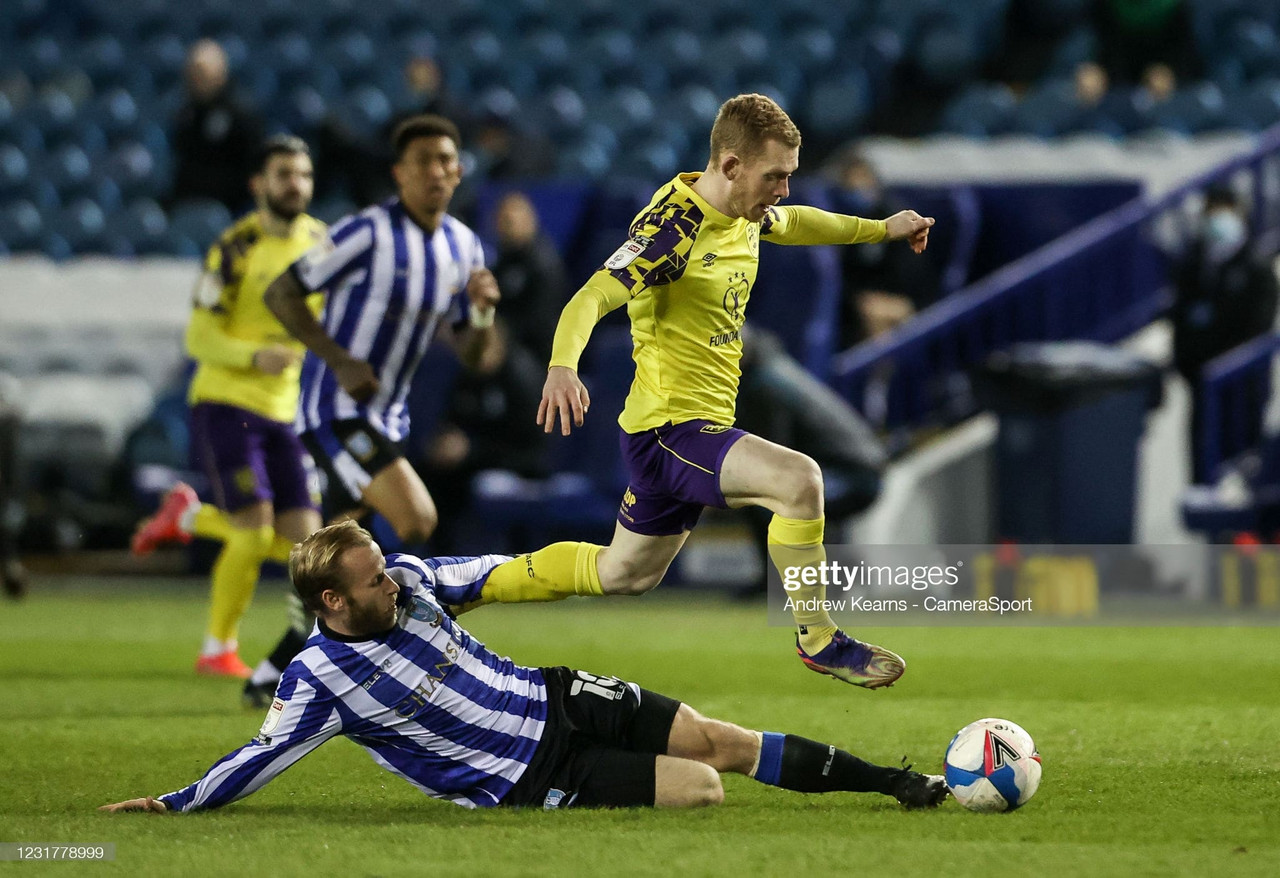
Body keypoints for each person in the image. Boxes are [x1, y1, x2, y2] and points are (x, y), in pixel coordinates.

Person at [496, 94, 932, 689]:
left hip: (683, 432)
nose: (782, 190)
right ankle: (819, 637)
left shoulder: (744, 212)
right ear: (730, 165)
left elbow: (797, 221)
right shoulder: (670, 228)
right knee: (800, 480)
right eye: (774, 176)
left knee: (623, 574)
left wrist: (882, 227)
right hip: (672, 429)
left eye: (789, 176)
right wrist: (562, 366)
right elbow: (591, 296)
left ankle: (470, 583)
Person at [100, 520, 947, 814]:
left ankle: (894, 784)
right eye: (371, 583)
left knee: (719, 741)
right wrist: (176, 804)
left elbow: (502, 573)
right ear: (332, 604)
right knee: (704, 790)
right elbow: (260, 757)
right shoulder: (318, 681)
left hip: (557, 693)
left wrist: (600, 570)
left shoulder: (415, 581)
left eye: (385, 571)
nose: (389, 585)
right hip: (530, 773)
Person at [243, 113, 501, 704]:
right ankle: (421, 654)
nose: (436, 172)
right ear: (399, 174)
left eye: (445, 161)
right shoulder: (366, 232)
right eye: (423, 163)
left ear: (458, 171)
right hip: (334, 410)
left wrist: (483, 313)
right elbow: (282, 291)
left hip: (387, 419)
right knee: (415, 519)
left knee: (330, 555)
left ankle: (273, 673)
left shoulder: (464, 245)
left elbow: (472, 352)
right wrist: (339, 360)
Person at [132, 135, 326, 677]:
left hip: (283, 411)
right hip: (226, 402)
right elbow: (198, 337)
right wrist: (252, 354)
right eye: (284, 174)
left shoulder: (323, 246)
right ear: (258, 185)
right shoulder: (234, 248)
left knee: (303, 547)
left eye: (304, 175)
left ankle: (190, 516)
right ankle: (217, 648)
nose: (296, 184)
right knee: (254, 525)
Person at [1171, 187, 1279, 484]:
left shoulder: (1257, 268)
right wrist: (1191, 368)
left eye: (1225, 209)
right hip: (1203, 387)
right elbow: (1181, 325)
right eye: (1211, 210)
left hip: (1245, 389)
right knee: (1205, 470)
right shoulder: (1193, 267)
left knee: (1244, 471)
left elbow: (1259, 328)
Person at [417, 320, 549, 554]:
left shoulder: (521, 377)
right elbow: (454, 422)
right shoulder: (466, 377)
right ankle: (438, 561)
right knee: (429, 474)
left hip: (520, 470)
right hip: (473, 465)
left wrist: (471, 451)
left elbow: (536, 453)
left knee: (478, 485)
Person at [830, 149, 941, 347]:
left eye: (862, 179)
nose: (856, 186)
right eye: (850, 182)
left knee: (879, 315)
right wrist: (858, 297)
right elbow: (841, 270)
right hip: (859, 299)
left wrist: (882, 298)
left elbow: (913, 272)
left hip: (905, 298)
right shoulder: (842, 219)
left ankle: (882, 376)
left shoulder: (895, 217)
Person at [169, 39, 264, 213]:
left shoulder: (241, 114)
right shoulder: (186, 115)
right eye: (192, 72)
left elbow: (251, 168)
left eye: (202, 71)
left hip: (234, 207)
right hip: (191, 204)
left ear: (221, 71)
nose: (196, 78)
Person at [490, 191, 567, 365]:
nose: (506, 227)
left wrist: (500, 334)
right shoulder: (503, 260)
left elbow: (541, 322)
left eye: (511, 221)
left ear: (529, 221)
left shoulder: (544, 264)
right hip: (504, 345)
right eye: (502, 221)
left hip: (539, 355)